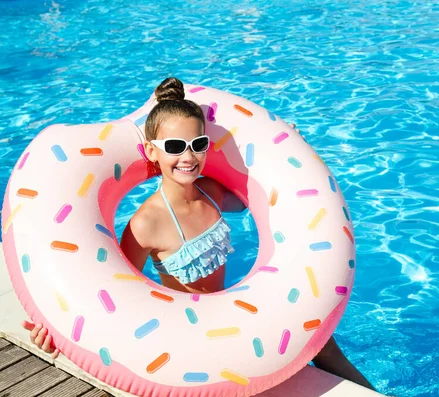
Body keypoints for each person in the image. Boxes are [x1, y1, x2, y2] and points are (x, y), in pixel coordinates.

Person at [23, 77, 375, 391]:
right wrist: (59, 332)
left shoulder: (212, 192)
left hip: (237, 311)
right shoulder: (146, 224)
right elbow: (110, 294)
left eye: (198, 144)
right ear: (152, 152)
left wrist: (290, 153)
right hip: (190, 336)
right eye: (175, 147)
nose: (188, 156)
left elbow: (267, 198)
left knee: (324, 344)